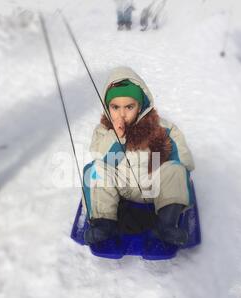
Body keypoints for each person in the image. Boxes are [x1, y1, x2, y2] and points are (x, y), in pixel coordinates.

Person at [82, 67, 195, 248]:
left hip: (153, 185)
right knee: (94, 171)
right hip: (121, 188)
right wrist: (117, 138)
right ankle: (104, 223)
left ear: (140, 105)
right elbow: (101, 160)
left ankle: (166, 224)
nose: (122, 114)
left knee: (176, 170)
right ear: (107, 106)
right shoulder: (104, 131)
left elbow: (183, 161)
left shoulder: (163, 128)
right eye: (115, 107)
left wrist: (174, 172)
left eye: (129, 107)